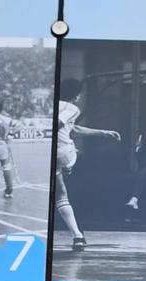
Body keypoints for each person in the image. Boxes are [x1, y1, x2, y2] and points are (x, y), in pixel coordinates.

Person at [53, 78, 121, 253]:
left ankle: (78, 235)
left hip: (59, 153)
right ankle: (78, 235)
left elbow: (72, 129)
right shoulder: (71, 108)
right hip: (63, 153)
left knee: (62, 195)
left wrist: (103, 133)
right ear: (76, 95)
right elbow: (59, 123)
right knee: (68, 189)